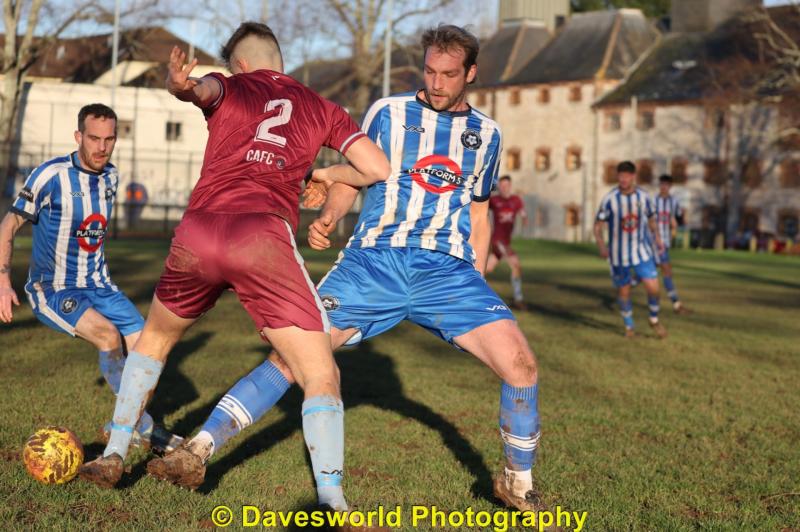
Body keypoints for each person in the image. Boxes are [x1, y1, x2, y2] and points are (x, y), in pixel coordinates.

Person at [148, 24, 545, 513]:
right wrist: (331, 215)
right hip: (374, 264)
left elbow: (479, 210)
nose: (437, 83)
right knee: (294, 359)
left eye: (448, 74)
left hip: (448, 273)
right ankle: (198, 449)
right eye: (430, 71)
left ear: (471, 74)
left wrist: (477, 278)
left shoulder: (486, 134)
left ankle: (517, 486)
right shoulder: (389, 113)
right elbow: (354, 175)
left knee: (522, 366)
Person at [78, 22, 390, 516]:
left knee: (155, 339)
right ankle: (333, 503)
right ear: (277, 58)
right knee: (319, 372)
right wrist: (323, 171)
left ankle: (115, 452)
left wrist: (182, 84)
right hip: (261, 238)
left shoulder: (232, 85)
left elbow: (201, 88)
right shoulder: (322, 106)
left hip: (199, 232)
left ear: (239, 65)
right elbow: (378, 169)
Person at [0, 103, 181, 452]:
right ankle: (147, 431)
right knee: (107, 336)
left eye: (109, 139)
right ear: (78, 136)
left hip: (101, 285)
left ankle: (120, 424)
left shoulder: (111, 176)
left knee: (151, 352)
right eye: (94, 138)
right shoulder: (50, 175)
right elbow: (7, 226)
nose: (101, 147)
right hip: (53, 288)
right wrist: (3, 281)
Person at [594, 161, 667, 339]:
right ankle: (629, 327)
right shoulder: (610, 199)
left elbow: (651, 218)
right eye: (621, 175)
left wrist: (657, 237)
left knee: (654, 288)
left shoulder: (643, 196)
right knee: (624, 291)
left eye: (627, 175)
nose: (623, 179)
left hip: (642, 251)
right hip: (619, 256)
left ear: (633, 177)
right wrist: (602, 246)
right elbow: (598, 226)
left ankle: (654, 319)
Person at [648, 174, 691, 314]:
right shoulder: (653, 201)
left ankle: (625, 288)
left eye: (666, 185)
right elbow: (649, 221)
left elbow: (674, 218)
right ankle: (676, 305)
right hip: (655, 242)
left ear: (670, 186)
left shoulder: (673, 201)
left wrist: (676, 223)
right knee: (666, 271)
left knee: (648, 273)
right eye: (661, 184)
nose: (663, 187)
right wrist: (657, 236)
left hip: (665, 242)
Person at [487, 175, 528, 309]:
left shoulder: (516, 200)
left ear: (510, 186)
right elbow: (481, 210)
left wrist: (524, 219)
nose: (504, 188)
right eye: (502, 186)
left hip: (506, 241)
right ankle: (518, 299)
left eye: (506, 186)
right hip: (497, 240)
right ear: (499, 187)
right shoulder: (494, 200)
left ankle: (466, 287)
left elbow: (523, 213)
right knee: (515, 264)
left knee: (487, 268)